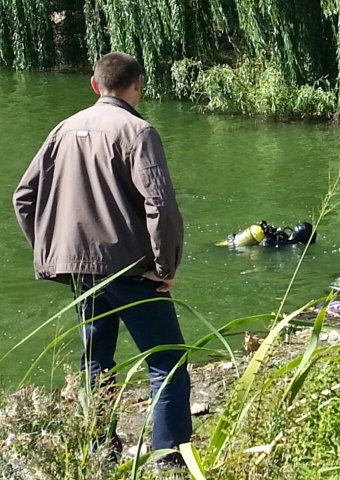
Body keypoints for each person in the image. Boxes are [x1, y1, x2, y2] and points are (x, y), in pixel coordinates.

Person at [12, 52, 191, 461]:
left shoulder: (62, 130)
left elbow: (23, 197)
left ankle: (99, 452)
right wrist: (165, 266)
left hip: (80, 272)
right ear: (137, 86)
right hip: (132, 271)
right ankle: (168, 459)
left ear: (95, 84)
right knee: (166, 361)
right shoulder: (138, 131)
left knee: (96, 364)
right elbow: (160, 206)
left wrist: (50, 252)